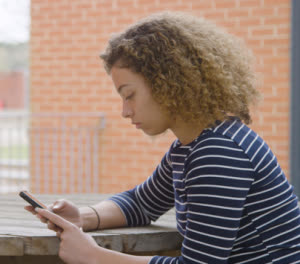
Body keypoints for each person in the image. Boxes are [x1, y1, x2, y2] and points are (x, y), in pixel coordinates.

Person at [25, 12, 300, 264]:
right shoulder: (190, 147)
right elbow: (141, 203)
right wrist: (83, 217)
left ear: (167, 84)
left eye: (129, 95)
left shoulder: (219, 152)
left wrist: (94, 257)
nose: (125, 111)